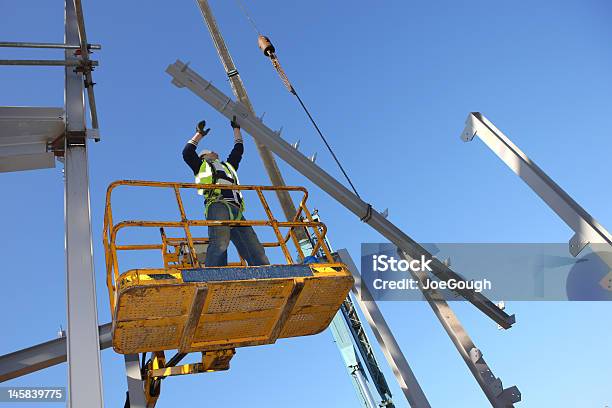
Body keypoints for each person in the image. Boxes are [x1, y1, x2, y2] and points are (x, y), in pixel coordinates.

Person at [182, 116, 270, 267]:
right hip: (218, 205)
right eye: (211, 152)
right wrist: (199, 135)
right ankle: (214, 276)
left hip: (236, 210)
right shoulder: (200, 165)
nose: (215, 152)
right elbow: (187, 153)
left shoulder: (228, 166)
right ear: (204, 156)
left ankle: (268, 274)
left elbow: (238, 150)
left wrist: (236, 129)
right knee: (220, 244)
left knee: (255, 248)